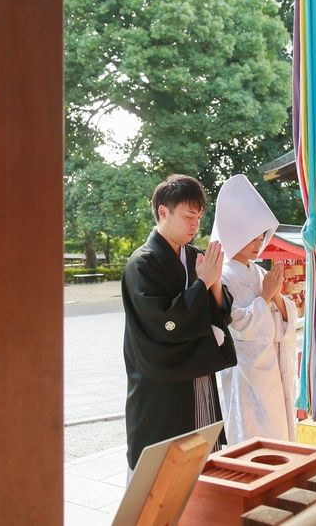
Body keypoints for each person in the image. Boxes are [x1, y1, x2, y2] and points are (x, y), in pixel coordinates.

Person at [122, 174, 237, 475]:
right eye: (188, 216)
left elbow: (220, 313)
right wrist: (203, 283)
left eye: (198, 217)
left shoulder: (196, 256)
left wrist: (213, 284)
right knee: (160, 469)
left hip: (197, 375)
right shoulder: (142, 264)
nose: (195, 225)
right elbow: (163, 323)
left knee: (202, 461)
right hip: (161, 382)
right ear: (163, 212)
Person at [211, 174, 297, 444]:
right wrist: (266, 296)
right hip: (245, 372)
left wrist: (277, 298)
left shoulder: (259, 272)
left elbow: (284, 315)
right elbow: (236, 325)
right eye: (252, 239)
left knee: (277, 430)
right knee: (250, 433)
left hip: (271, 366)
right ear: (236, 235)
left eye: (261, 238)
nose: (259, 245)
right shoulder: (222, 276)